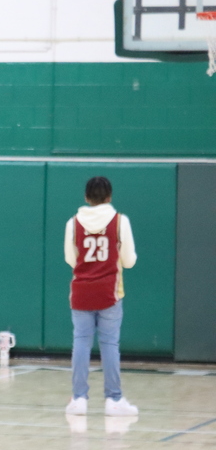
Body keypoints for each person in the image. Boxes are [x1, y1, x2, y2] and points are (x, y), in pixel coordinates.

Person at [64, 176, 138, 417]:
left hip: (82, 292)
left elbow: (71, 259)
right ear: (109, 197)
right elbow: (128, 260)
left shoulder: (73, 223)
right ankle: (114, 400)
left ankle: (78, 399)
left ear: (86, 197)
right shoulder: (119, 221)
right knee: (109, 345)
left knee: (81, 343)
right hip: (110, 292)